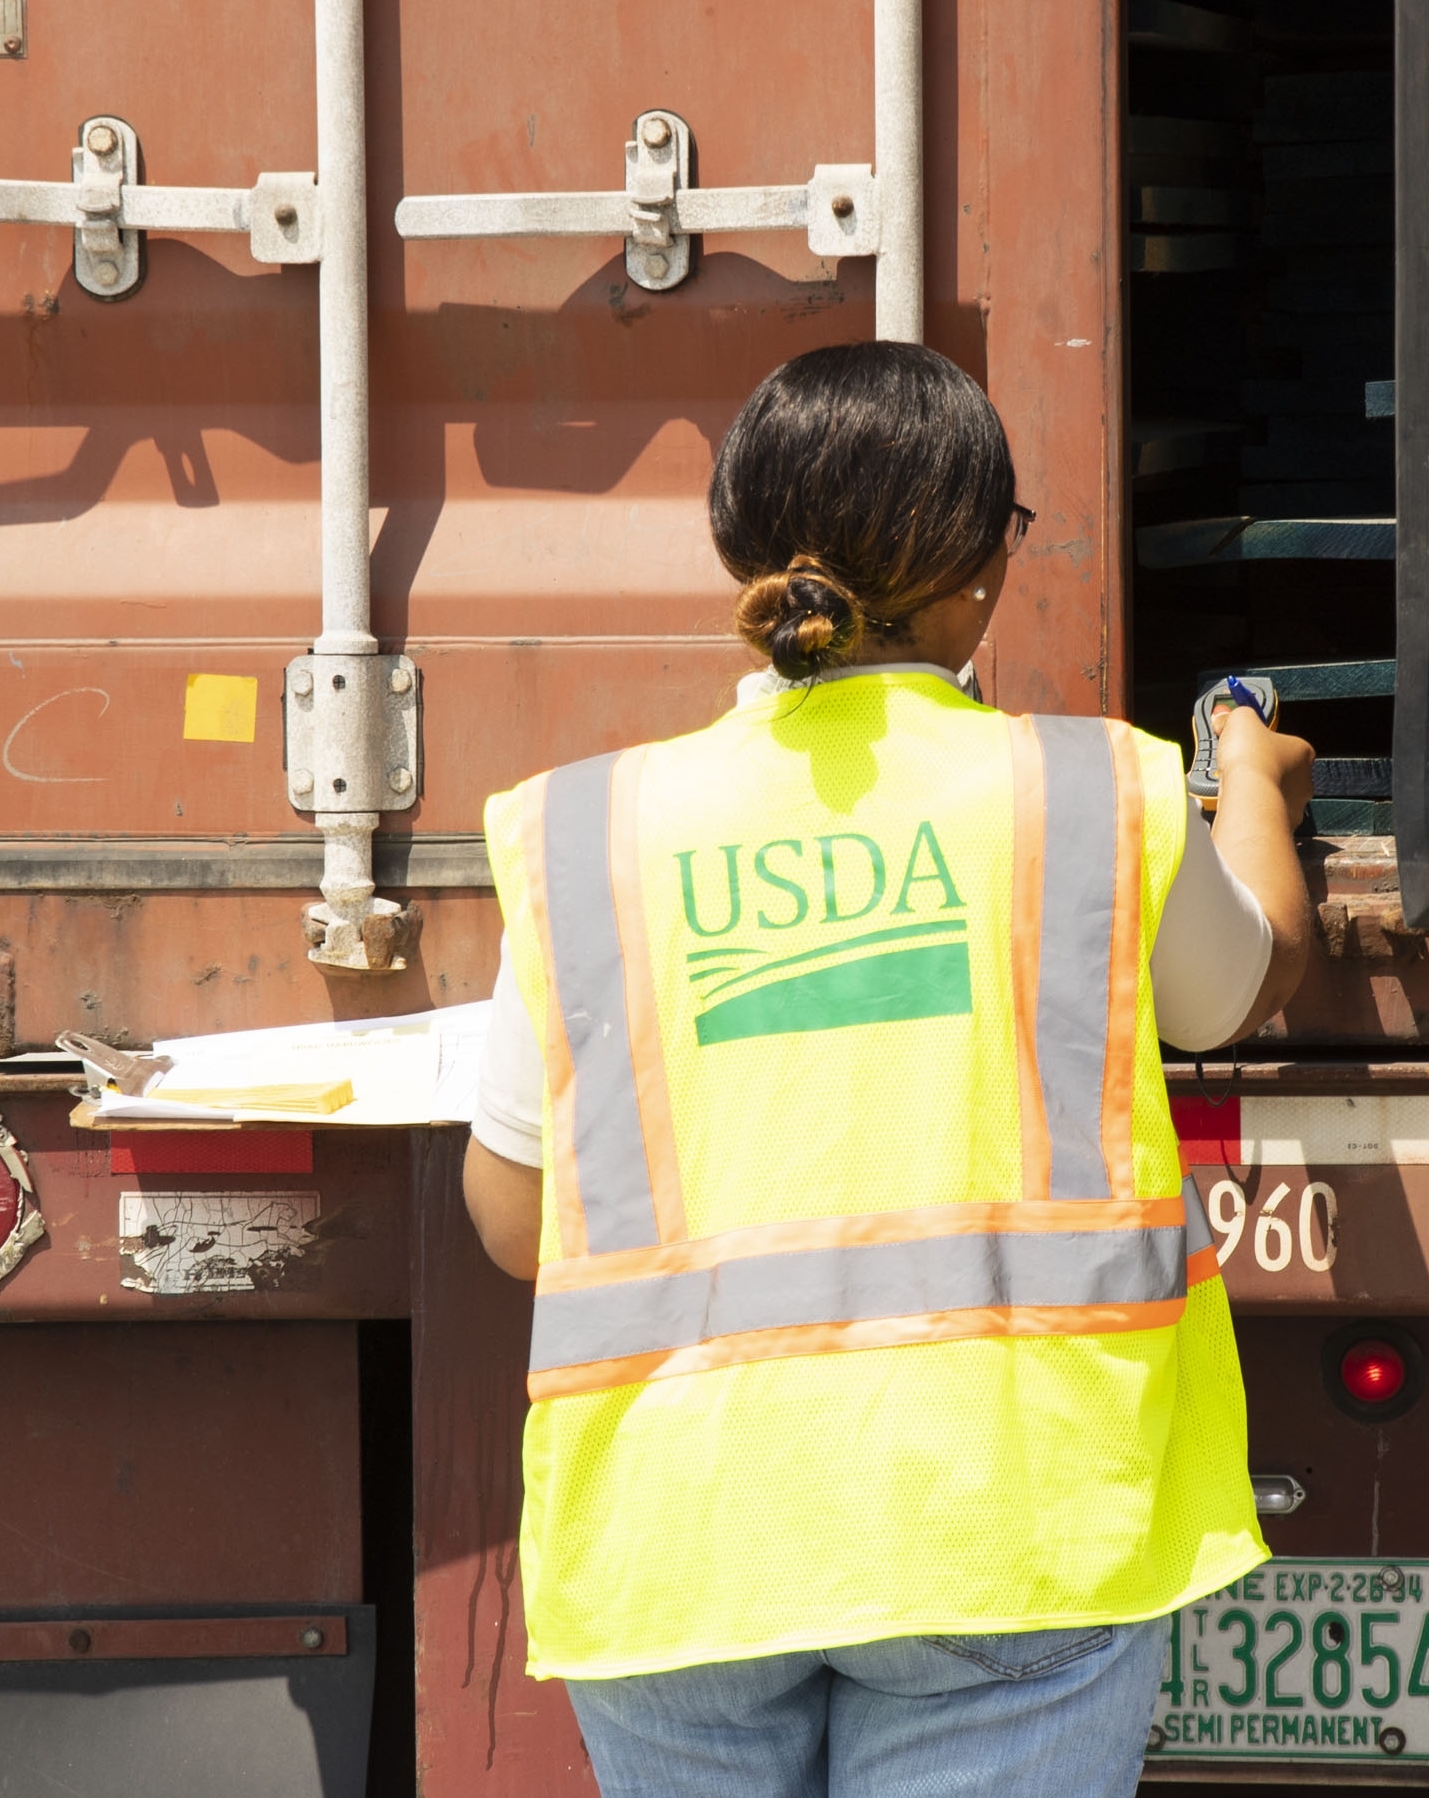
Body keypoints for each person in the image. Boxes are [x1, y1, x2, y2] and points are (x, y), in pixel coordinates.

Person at [460, 339, 1324, 1798]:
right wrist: (1248, 778)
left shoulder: (595, 829)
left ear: (742, 551)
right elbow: (1248, 979)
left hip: (683, 1547)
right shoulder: (1086, 794)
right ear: (983, 573)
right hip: (1006, 1524)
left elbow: (506, 1217)